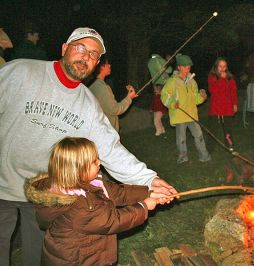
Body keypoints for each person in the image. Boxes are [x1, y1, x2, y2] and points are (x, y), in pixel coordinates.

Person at [0, 27, 176, 266]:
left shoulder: (88, 106)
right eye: (80, 47)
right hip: (1, 186)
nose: (86, 57)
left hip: (48, 195)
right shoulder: (20, 72)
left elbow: (111, 150)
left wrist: (149, 180)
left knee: (37, 258)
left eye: (94, 54)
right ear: (64, 48)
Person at [24, 137, 161, 265]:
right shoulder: (79, 206)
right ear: (78, 170)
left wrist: (148, 193)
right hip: (77, 260)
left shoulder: (88, 183)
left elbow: (119, 192)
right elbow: (112, 221)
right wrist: (143, 206)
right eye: (94, 161)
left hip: (87, 254)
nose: (99, 162)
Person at [161, 53, 211, 164]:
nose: (187, 69)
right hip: (179, 115)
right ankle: (183, 158)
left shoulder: (192, 81)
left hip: (192, 114)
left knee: (199, 136)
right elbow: (164, 96)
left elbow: (195, 99)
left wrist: (202, 97)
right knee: (181, 139)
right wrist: (173, 103)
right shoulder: (172, 81)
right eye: (185, 66)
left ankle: (204, 156)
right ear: (179, 67)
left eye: (189, 67)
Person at [89, 56, 137, 132]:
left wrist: (130, 96)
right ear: (101, 67)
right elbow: (115, 109)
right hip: (106, 132)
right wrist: (129, 98)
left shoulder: (93, 85)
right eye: (107, 64)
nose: (110, 65)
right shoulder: (103, 88)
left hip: (99, 128)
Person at [207, 57, 238, 151]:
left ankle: (229, 146)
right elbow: (213, 91)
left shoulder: (230, 78)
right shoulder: (212, 77)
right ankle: (210, 149)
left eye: (224, 66)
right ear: (216, 66)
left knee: (227, 129)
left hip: (227, 107)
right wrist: (221, 79)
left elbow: (233, 92)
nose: (222, 68)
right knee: (213, 129)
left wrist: (235, 104)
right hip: (215, 107)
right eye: (220, 66)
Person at [147, 54, 172, 136]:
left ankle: (159, 130)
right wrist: (151, 108)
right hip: (162, 85)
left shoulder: (150, 62)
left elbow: (169, 70)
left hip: (161, 85)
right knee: (157, 119)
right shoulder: (159, 60)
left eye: (156, 90)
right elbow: (169, 70)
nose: (155, 91)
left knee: (156, 119)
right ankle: (161, 129)